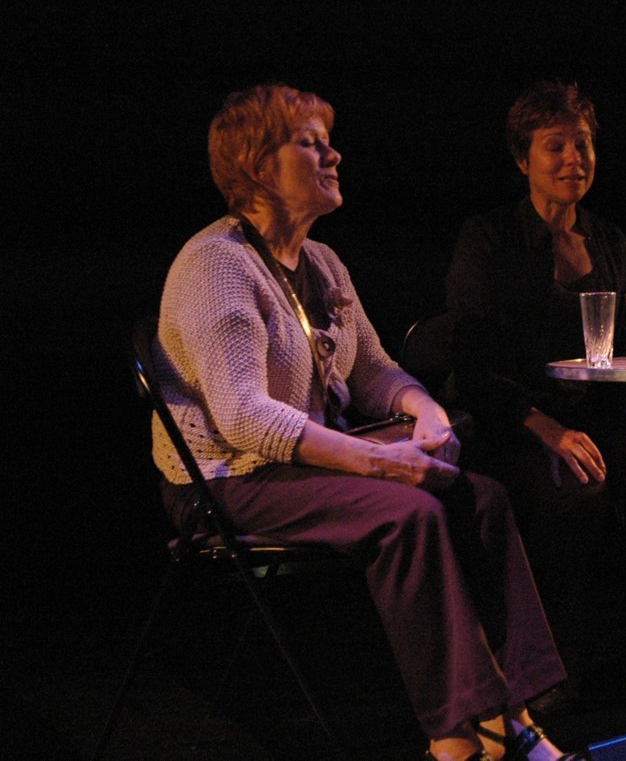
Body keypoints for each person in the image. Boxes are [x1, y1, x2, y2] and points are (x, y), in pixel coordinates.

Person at [152, 83, 572, 761]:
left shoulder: (321, 262)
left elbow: (374, 371)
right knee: (407, 514)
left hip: (304, 464)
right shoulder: (216, 266)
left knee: (481, 497)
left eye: (328, 142)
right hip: (228, 479)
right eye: (311, 144)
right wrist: (380, 462)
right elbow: (242, 417)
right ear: (259, 167)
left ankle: (514, 721)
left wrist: (425, 411)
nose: (334, 156)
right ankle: (454, 742)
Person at [445, 80, 626, 708]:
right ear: (523, 160)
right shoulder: (488, 238)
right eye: (555, 146)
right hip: (515, 423)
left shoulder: (611, 241)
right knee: (574, 484)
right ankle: (549, 668)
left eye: (582, 144)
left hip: (600, 417)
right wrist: (542, 426)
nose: (573, 159)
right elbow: (470, 360)